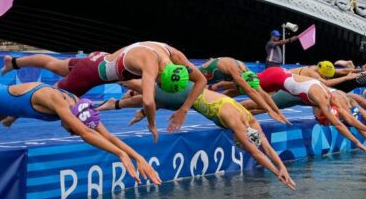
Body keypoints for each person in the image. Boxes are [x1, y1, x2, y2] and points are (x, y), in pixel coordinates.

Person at [0, 82, 160, 186]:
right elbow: (85, 134)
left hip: (6, 107)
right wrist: (119, 156)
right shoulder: (62, 105)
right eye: (70, 130)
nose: (68, 132)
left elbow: (105, 134)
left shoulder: (81, 106)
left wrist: (137, 157)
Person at [107, 81, 296, 190]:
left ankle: (117, 102)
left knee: (152, 99)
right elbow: (256, 153)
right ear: (241, 137)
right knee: (143, 89)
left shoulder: (251, 122)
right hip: (185, 94)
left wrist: (281, 167)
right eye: (240, 142)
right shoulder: (235, 121)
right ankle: (110, 74)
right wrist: (276, 173)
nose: (239, 143)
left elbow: (266, 148)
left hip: (189, 93)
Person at [0, 41, 206, 141]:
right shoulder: (151, 66)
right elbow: (149, 102)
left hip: (98, 58)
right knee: (53, 99)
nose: (157, 84)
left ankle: (13, 62)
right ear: (162, 76)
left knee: (56, 65)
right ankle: (12, 113)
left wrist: (184, 110)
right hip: (90, 74)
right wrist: (152, 125)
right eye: (159, 84)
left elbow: (201, 80)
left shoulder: (174, 55)